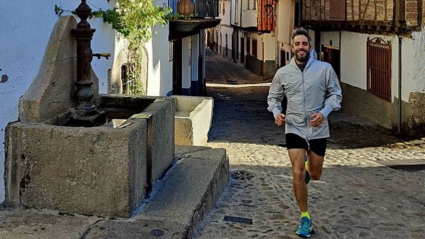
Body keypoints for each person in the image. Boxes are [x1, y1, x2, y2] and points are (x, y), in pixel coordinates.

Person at [267, 29, 342, 238]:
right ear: (292, 47)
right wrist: (276, 112)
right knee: (297, 172)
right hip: (294, 126)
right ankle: (305, 217)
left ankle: (310, 170)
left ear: (309, 46)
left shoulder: (324, 69)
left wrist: (324, 112)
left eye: (304, 44)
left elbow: (336, 94)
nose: (301, 47)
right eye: (297, 44)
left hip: (318, 128)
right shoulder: (283, 73)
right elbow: (273, 98)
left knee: (315, 174)